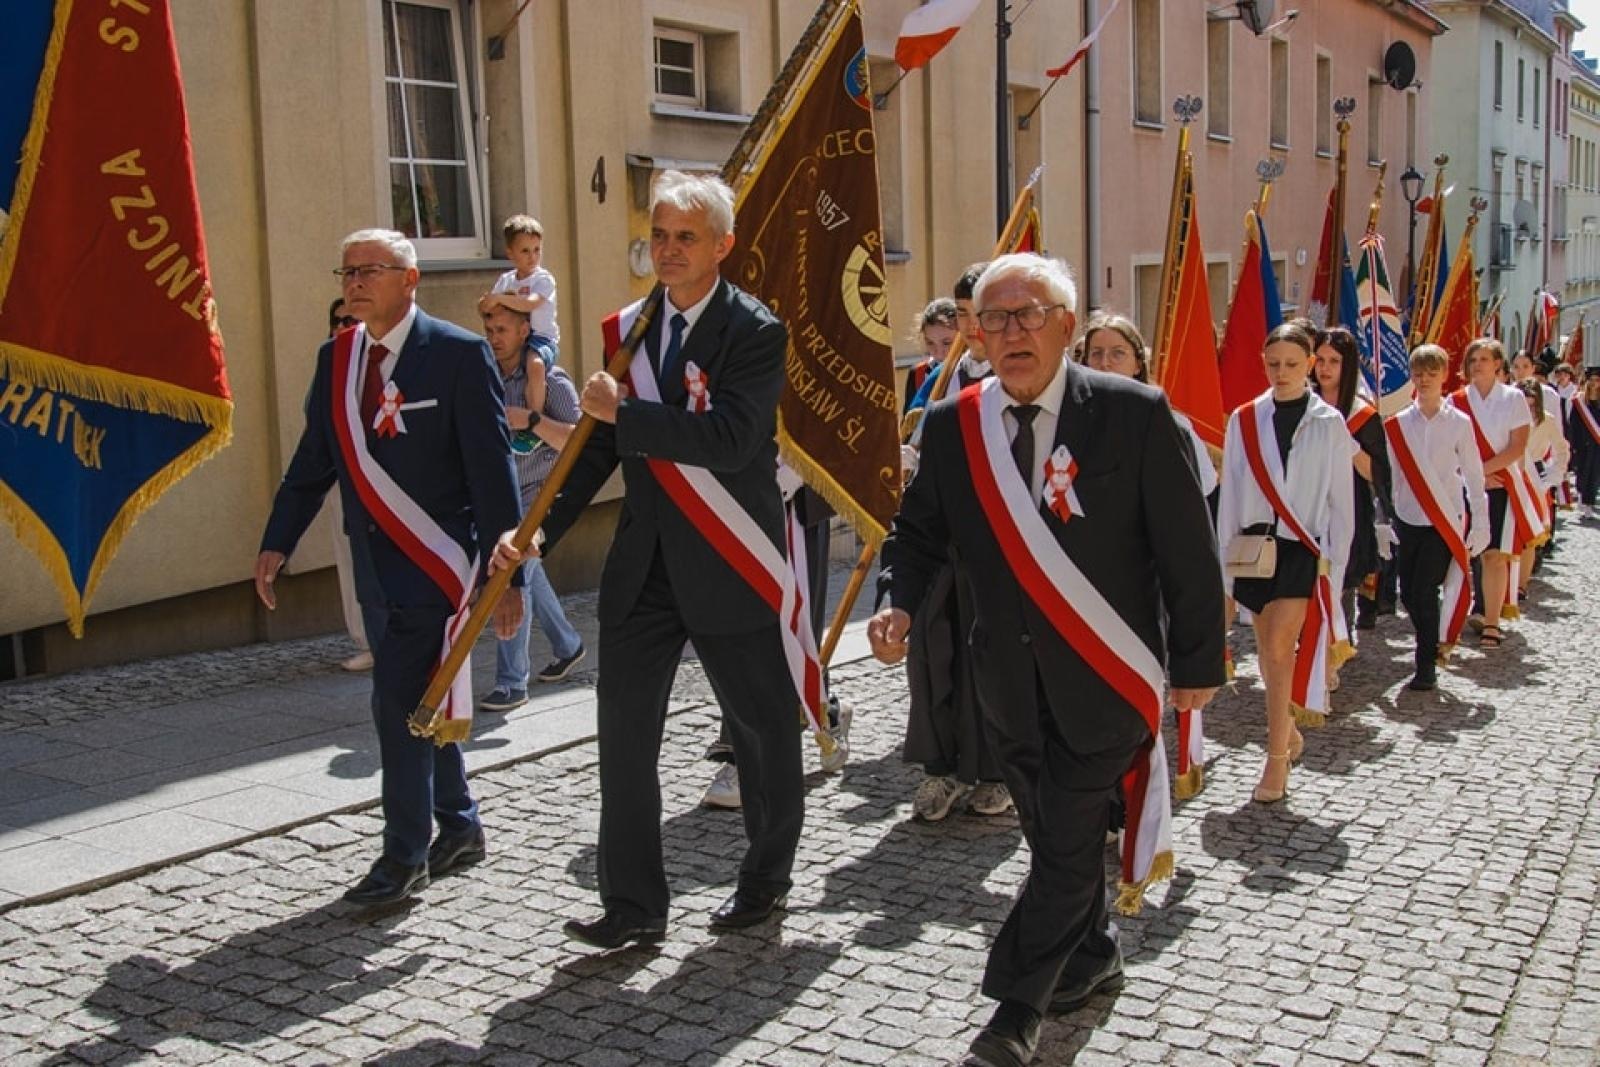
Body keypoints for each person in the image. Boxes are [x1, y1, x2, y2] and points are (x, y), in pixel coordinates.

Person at [869, 254, 1225, 1067]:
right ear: (977, 334)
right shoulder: (953, 426)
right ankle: (1093, 955)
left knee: (1066, 835)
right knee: (1051, 834)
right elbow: (916, 535)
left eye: (1029, 314)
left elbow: (1187, 549)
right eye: (994, 318)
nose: (1012, 332)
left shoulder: (1134, 414)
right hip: (1005, 682)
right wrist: (897, 601)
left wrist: (1198, 662)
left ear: (1067, 325)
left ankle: (1014, 1012)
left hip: (1107, 673)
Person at [492, 170, 804, 949]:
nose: (667, 250)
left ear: (723, 246)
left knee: (762, 729)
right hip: (646, 566)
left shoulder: (755, 330)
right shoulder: (630, 328)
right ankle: (632, 904)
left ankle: (765, 878)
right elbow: (598, 448)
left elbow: (732, 439)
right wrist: (540, 529)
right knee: (625, 736)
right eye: (659, 235)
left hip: (731, 555)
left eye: (685, 237)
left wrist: (624, 412)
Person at [256, 229, 524, 905]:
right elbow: (314, 459)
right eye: (347, 272)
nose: (354, 283)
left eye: (369, 270)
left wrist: (509, 577)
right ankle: (458, 825)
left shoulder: (457, 354)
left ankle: (404, 856)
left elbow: (492, 470)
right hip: (373, 568)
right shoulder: (338, 357)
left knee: (397, 706)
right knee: (421, 698)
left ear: (410, 279)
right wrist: (278, 540)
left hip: (437, 565)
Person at [1216, 322, 1355, 802]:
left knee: (1278, 648)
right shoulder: (1244, 419)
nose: (1282, 372)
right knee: (1267, 653)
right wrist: (1225, 565)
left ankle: (1275, 760)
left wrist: (1336, 566)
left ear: (1311, 364)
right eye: (1273, 363)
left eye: (1292, 364)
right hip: (1253, 547)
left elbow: (1341, 501)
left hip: (1302, 548)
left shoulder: (1329, 422)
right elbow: (1231, 493)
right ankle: (1287, 729)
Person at [895, 266, 1010, 823]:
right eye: (962, 315)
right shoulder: (940, 378)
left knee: (989, 659)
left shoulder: (1014, 378)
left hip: (997, 546)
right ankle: (940, 767)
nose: (969, 328)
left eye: (979, 315)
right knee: (932, 655)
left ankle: (994, 772)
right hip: (942, 540)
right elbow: (916, 439)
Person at [476, 305, 586, 714]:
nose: (493, 337)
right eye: (489, 329)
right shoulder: (484, 375)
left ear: (524, 330)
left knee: (512, 572)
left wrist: (531, 420)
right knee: (527, 571)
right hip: (501, 494)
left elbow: (580, 441)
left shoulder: (550, 379)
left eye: (502, 329)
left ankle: (511, 682)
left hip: (541, 494)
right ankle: (568, 644)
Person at [1383, 345, 1490, 691]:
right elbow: (1391, 475)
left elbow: (1474, 474)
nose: (1425, 380)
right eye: (1419, 374)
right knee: (1407, 594)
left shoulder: (1459, 423)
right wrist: (1383, 518)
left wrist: (1481, 520)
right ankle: (1432, 638)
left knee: (1425, 590)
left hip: (1444, 518)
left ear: (1444, 375)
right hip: (1408, 516)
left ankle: (1425, 662)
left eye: (1432, 373)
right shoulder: (1398, 424)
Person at [1312, 327, 1392, 643]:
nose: (1325, 368)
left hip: (1349, 504)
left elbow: (1377, 473)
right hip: (1308, 502)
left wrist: (1350, 445)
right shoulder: (1303, 403)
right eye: (1320, 359)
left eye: (1334, 361)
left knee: (1341, 577)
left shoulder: (1363, 415)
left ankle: (1337, 643)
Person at [1452, 339, 1533, 649]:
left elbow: (1517, 446)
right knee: (1460, 555)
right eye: (1473, 359)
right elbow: (1449, 446)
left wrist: (1483, 472)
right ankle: (1453, 618)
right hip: (1463, 485)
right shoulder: (1456, 400)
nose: (1477, 365)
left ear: (1498, 364)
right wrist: (1474, 476)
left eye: (1484, 359)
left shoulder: (1513, 398)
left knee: (1494, 556)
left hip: (1499, 485)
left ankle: (1491, 622)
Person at [325, 297, 373, 673]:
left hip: (375, 477)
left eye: (352, 321)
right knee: (348, 556)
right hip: (340, 476)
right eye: (339, 321)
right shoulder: (329, 365)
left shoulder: (377, 364)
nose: (345, 327)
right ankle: (364, 638)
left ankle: (380, 637)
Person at [906, 262, 991, 413]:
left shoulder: (1015, 374)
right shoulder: (940, 378)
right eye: (963, 312)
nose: (972, 324)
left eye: (979, 312)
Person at [479, 214, 561, 365]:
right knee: (482, 357)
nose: (532, 256)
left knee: (535, 363)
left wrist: (499, 299)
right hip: (511, 339)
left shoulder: (543, 279)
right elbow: (489, 309)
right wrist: (485, 305)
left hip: (540, 339)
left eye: (537, 250)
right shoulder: (506, 280)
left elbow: (529, 304)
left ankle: (539, 382)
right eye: (525, 251)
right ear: (510, 253)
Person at [903, 298, 958, 415]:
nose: (938, 352)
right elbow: (908, 421)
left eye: (947, 343)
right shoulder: (918, 373)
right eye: (930, 343)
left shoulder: (973, 371)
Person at [1568, 367, 1600, 516]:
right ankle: (1581, 496)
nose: (1594, 383)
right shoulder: (1579, 401)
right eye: (1591, 380)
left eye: (1597, 380)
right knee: (1582, 471)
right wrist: (1573, 444)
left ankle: (1589, 502)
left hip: (1597, 443)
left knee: (1595, 473)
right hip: (1582, 443)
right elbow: (1573, 424)